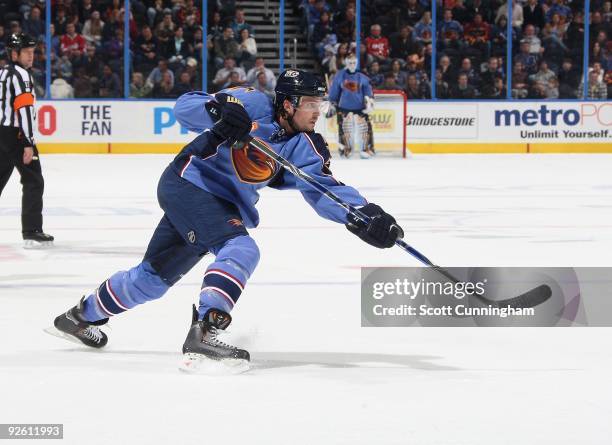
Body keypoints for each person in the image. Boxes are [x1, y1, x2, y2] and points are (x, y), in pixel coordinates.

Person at [50, 69, 403, 371]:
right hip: (188, 183)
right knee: (240, 248)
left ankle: (81, 316)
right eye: (311, 104)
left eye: (320, 105)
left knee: (152, 280)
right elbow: (184, 107)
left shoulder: (306, 146)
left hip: (219, 204)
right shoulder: (252, 103)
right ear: (288, 103)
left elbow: (323, 190)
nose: (317, 113)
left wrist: (364, 216)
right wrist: (219, 109)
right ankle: (206, 330)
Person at [0, 33, 54, 247]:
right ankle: (31, 230)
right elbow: (24, 110)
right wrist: (28, 143)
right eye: (27, 52)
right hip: (17, 136)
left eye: (33, 52)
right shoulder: (21, 75)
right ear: (14, 53)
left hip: (1, 133)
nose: (31, 57)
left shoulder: (2, 72)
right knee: (33, 180)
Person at [327, 54, 375, 158]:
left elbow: (368, 92)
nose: (352, 65)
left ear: (356, 63)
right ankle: (345, 149)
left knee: (364, 129)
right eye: (350, 62)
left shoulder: (363, 77)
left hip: (361, 109)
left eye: (354, 63)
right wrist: (331, 103)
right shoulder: (339, 76)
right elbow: (334, 92)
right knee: (345, 131)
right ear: (346, 63)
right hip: (343, 108)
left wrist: (369, 101)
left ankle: (366, 148)